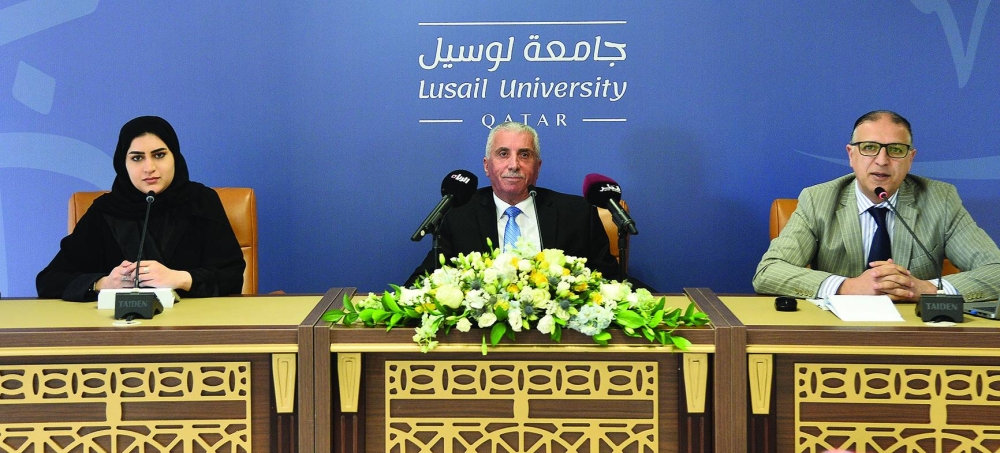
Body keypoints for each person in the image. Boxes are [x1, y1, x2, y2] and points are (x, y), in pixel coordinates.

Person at [753, 110, 1000, 302]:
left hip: (916, 333)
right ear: (851, 155)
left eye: (896, 150)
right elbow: (769, 271)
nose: (882, 160)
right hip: (837, 332)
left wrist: (928, 289)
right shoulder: (818, 200)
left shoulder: (940, 200)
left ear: (910, 159)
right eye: (869, 148)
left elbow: (995, 270)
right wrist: (846, 286)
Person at [36, 116, 246, 301]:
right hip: (119, 328)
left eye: (159, 155)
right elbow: (48, 281)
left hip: (193, 325)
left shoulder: (201, 201)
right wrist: (103, 283)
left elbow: (232, 276)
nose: (149, 168)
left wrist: (180, 279)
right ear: (123, 164)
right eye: (137, 158)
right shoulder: (105, 211)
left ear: (175, 156)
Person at [406, 121, 621, 287]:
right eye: (503, 154)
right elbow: (423, 282)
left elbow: (614, 282)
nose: (514, 165)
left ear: (537, 167)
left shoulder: (577, 214)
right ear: (487, 166)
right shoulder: (459, 214)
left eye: (524, 155)